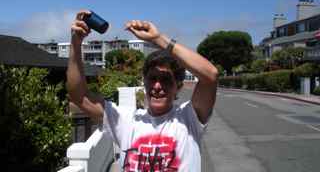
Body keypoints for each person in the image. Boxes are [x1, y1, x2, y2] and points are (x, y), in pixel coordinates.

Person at [67, 10, 218, 172]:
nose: (157, 86)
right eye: (152, 78)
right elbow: (79, 96)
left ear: (178, 86)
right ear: (143, 82)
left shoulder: (189, 119)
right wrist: (76, 43)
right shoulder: (125, 121)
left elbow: (210, 74)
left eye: (166, 79)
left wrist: (158, 39)